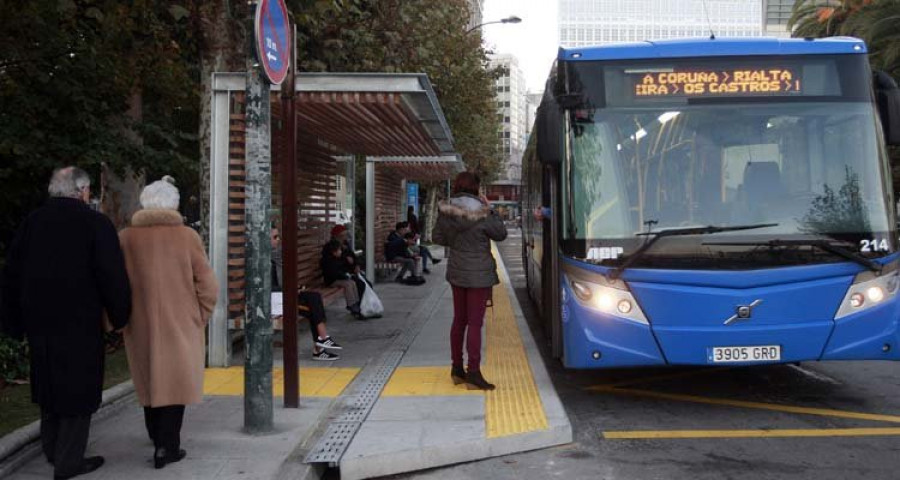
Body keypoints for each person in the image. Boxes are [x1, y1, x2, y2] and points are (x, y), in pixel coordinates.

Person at [1, 166, 132, 479]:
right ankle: (69, 461)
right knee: (78, 388)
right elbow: (111, 276)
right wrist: (119, 316)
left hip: (39, 322)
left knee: (47, 384)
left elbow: (11, 275)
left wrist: (14, 322)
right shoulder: (95, 224)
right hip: (80, 322)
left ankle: (52, 448)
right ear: (83, 191)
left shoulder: (32, 222)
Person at [118, 176, 219, 469]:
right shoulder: (187, 236)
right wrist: (200, 314)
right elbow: (207, 283)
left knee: (150, 378)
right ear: (173, 204)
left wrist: (121, 318)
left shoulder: (126, 238)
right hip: (181, 322)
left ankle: (155, 435)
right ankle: (167, 446)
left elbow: (117, 283)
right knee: (175, 381)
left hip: (139, 322)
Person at [432, 172, 507, 390]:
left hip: (457, 272)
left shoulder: (445, 210)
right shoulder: (483, 212)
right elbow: (500, 234)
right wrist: (491, 209)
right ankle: (473, 372)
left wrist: (454, 238)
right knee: (475, 323)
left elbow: (437, 237)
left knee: (459, 320)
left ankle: (457, 369)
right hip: (479, 275)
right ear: (476, 189)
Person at [272, 227, 342, 360]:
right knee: (313, 307)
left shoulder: (277, 257)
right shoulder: (265, 260)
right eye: (275, 237)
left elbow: (282, 282)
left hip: (285, 295)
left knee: (315, 298)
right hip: (275, 300)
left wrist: (295, 287)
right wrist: (291, 289)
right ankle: (320, 344)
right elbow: (268, 287)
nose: (278, 240)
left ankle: (322, 341)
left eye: (278, 237)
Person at [321, 239, 362, 318]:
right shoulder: (328, 261)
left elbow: (342, 269)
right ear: (334, 252)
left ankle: (356, 302)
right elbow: (334, 274)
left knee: (352, 282)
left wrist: (346, 274)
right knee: (348, 284)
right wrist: (344, 276)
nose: (341, 251)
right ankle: (351, 305)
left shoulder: (337, 259)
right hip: (331, 281)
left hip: (338, 279)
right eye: (339, 250)